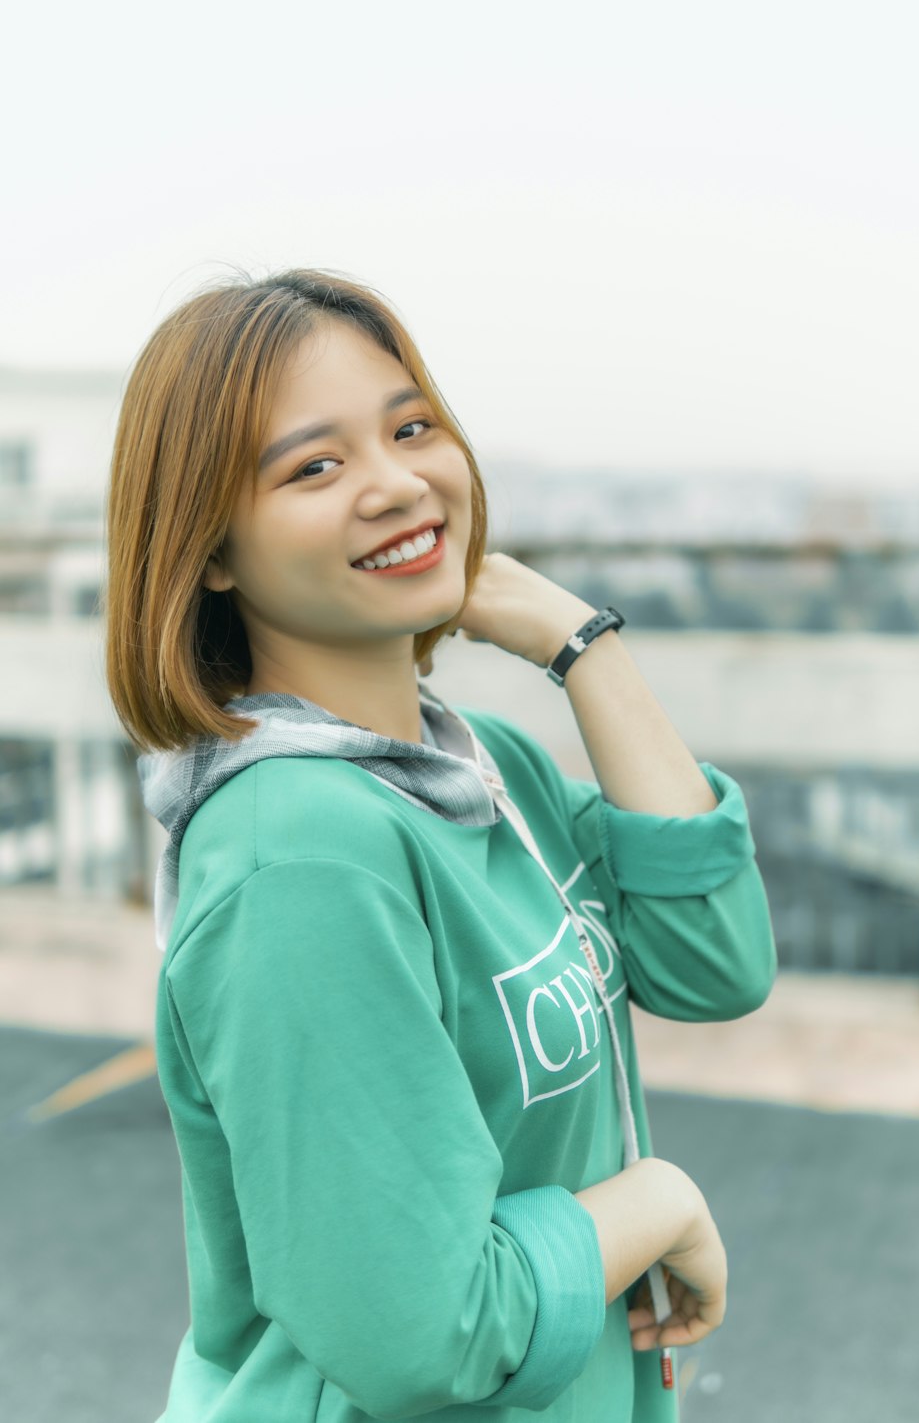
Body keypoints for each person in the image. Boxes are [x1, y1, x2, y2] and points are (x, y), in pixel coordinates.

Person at [103, 266, 777, 1422]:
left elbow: (712, 964)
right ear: (210, 551)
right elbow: (422, 1332)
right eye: (314, 466)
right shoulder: (298, 856)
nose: (396, 482)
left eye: (411, 428)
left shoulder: (482, 764)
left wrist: (582, 650)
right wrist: (651, 1205)